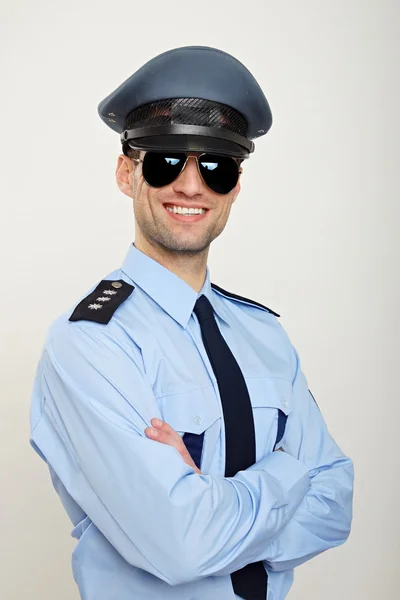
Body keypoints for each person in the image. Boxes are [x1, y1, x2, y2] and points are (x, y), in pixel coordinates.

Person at [29, 46, 354, 600]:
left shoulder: (264, 336)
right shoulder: (88, 343)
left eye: (216, 166)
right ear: (126, 173)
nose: (190, 186)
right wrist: (283, 475)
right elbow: (183, 544)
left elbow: (336, 506)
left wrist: (208, 499)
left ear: (236, 185)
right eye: (163, 161)